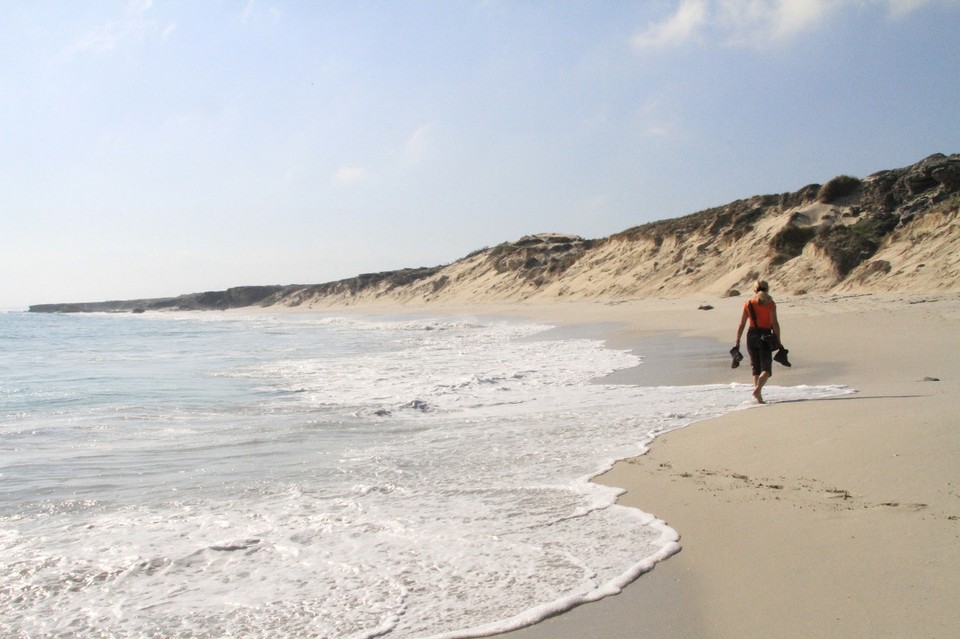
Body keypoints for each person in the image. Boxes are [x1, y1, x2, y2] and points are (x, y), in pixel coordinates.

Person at [735, 279, 781, 404]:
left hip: (751, 336)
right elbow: (774, 323)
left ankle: (758, 395)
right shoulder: (770, 304)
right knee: (766, 369)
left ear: (754, 290)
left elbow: (741, 324)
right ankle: (758, 390)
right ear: (767, 289)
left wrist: (737, 340)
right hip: (765, 336)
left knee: (756, 367)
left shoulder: (748, 304)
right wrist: (779, 340)